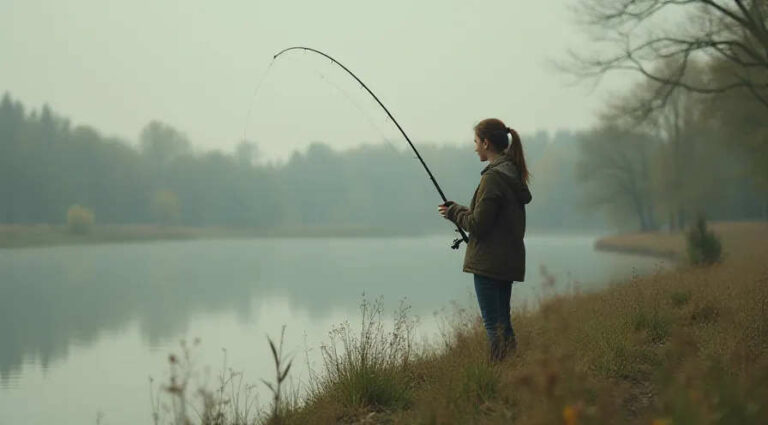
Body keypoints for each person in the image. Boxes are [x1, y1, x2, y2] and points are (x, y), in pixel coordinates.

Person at [438, 118, 532, 362]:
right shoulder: (511, 173)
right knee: (504, 325)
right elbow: (489, 218)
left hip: (489, 265)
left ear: (486, 143)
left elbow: (478, 225)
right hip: (506, 261)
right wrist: (459, 209)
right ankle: (514, 373)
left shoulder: (492, 178)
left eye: (476, 142)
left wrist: (453, 214)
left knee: (494, 328)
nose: (475, 147)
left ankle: (499, 377)